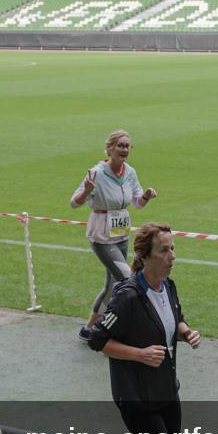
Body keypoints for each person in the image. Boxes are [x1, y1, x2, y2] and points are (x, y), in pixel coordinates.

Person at [88, 223, 200, 434]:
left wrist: (185, 332)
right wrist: (139, 354)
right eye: (164, 250)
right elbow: (97, 339)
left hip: (167, 391)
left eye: (173, 248)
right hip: (137, 399)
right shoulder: (127, 296)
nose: (172, 256)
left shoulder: (168, 286)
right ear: (144, 256)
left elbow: (175, 319)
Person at [71, 130, 157, 342]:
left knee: (112, 286)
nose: (124, 150)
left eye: (127, 146)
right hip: (101, 236)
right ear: (109, 148)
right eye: (120, 145)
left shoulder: (130, 172)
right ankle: (113, 329)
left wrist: (145, 196)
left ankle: (89, 330)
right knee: (127, 279)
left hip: (121, 234)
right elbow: (74, 202)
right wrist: (86, 191)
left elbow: (136, 203)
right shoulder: (96, 172)